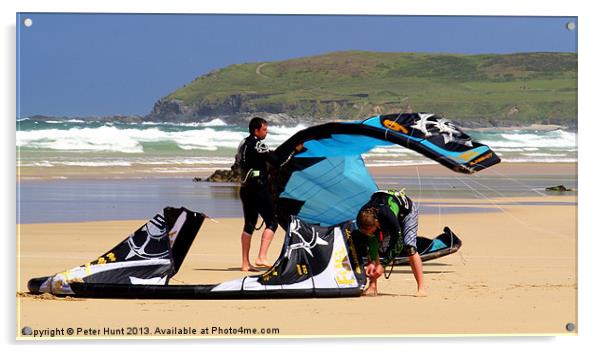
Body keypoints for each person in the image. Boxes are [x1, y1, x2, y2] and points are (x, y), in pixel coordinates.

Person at [354, 189, 427, 297]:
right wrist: (372, 262)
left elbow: (398, 241)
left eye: (371, 231)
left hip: (407, 213)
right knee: (373, 243)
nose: (370, 234)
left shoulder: (387, 215)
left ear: (377, 224)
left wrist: (383, 265)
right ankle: (372, 287)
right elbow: (372, 242)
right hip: (382, 214)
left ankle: (421, 288)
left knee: (409, 246)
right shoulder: (362, 216)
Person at [236, 117, 280, 272]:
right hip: (259, 188)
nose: (266, 132)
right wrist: (294, 151)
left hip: (245, 187)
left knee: (249, 224)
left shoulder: (242, 144)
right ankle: (262, 257)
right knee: (272, 221)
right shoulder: (258, 144)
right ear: (256, 130)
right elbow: (275, 160)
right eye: (264, 130)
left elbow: (237, 163)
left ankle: (245, 263)